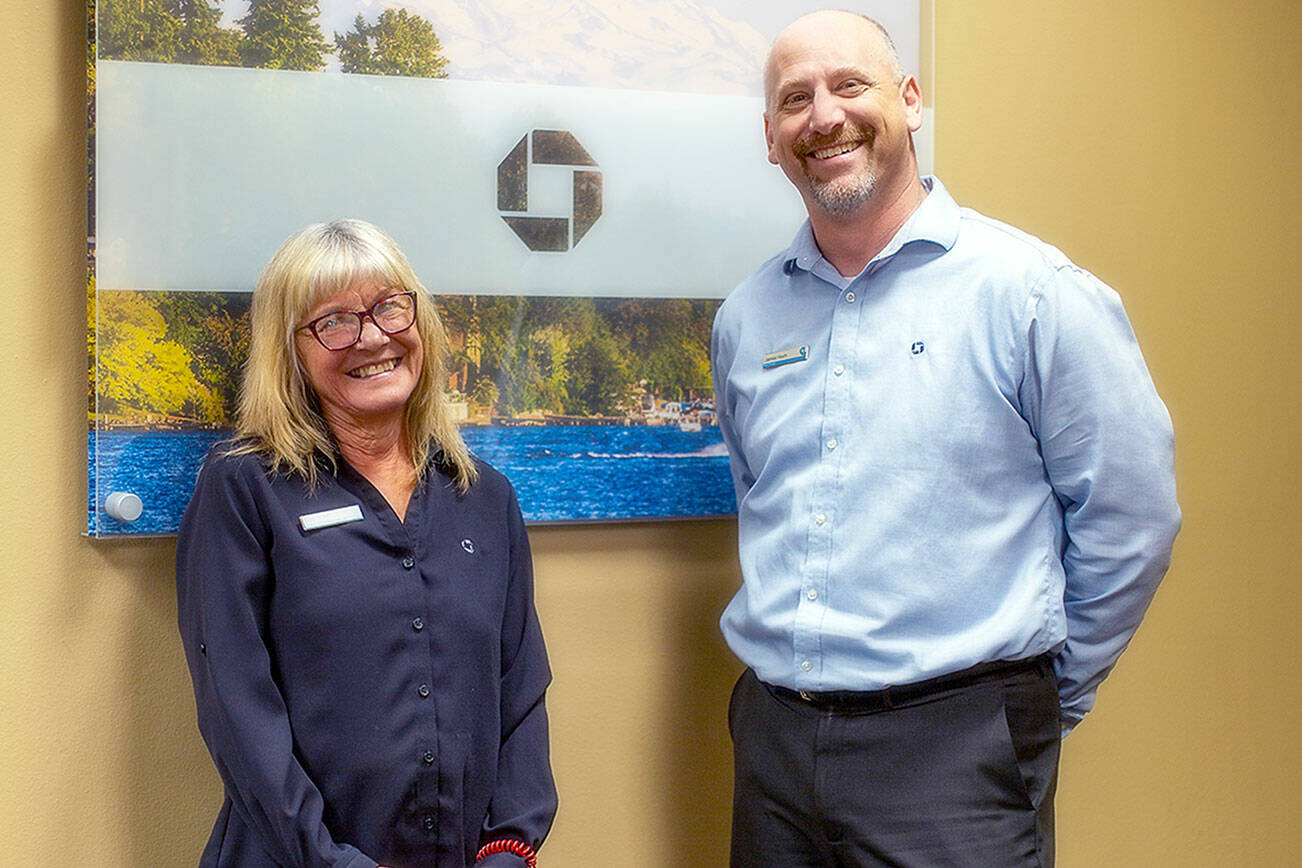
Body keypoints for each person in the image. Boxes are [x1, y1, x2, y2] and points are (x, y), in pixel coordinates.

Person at [710, 11, 1180, 867]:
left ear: (912, 102)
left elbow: (1133, 519)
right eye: (794, 100)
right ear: (772, 140)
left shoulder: (1033, 295)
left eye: (851, 85)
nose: (823, 116)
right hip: (774, 748)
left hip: (957, 754)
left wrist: (1034, 703)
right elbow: (760, 501)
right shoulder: (746, 319)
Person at [176, 219, 556, 868]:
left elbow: (519, 692)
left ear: (421, 322)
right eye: (333, 321)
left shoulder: (487, 498)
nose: (372, 337)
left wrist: (509, 847)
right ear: (288, 351)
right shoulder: (243, 487)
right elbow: (238, 711)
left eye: (389, 306)